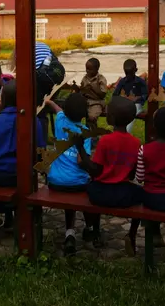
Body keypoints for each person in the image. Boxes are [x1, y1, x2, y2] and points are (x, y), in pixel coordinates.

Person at [74, 96, 143, 249]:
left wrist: (80, 150)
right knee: (141, 194)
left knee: (91, 186)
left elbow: (95, 170)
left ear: (110, 118)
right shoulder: (136, 142)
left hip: (102, 193)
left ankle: (97, 232)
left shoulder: (105, 140)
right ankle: (131, 234)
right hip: (124, 194)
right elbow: (132, 175)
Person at [127, 107, 165, 255]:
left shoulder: (144, 149)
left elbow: (139, 178)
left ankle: (144, 234)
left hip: (150, 197)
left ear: (154, 125)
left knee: (139, 194)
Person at [45, 92, 97, 256]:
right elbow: (81, 161)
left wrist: (49, 102)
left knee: (71, 187)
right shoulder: (84, 131)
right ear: (84, 113)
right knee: (88, 188)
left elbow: (57, 109)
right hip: (76, 184)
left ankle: (70, 233)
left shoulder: (60, 121)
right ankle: (89, 228)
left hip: (54, 181)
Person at [0, 81, 35, 232]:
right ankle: (20, 219)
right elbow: (39, 150)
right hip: (22, 175)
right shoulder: (31, 121)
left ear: (2, 99)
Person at [112, 59, 148, 136]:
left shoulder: (140, 82)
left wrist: (136, 99)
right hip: (125, 104)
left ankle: (125, 134)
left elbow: (145, 95)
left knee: (132, 113)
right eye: (126, 73)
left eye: (130, 74)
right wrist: (122, 98)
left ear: (136, 70)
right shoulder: (123, 81)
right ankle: (117, 132)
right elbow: (115, 95)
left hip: (137, 105)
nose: (128, 76)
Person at [76, 58, 108, 128]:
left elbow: (102, 95)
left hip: (97, 102)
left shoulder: (101, 79)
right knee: (75, 111)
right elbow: (82, 90)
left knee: (92, 117)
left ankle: (93, 133)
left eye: (90, 69)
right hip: (85, 101)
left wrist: (93, 88)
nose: (87, 71)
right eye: (86, 69)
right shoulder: (85, 78)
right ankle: (81, 130)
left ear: (97, 69)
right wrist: (78, 89)